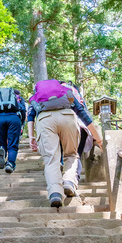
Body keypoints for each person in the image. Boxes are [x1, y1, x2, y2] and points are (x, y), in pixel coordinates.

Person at [27, 78, 103, 207]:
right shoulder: (67, 92)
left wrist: (31, 136)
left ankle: (55, 193)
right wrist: (99, 140)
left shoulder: (36, 96)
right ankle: (68, 181)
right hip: (68, 117)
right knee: (71, 154)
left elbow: (30, 115)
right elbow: (84, 115)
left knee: (51, 159)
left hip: (45, 120)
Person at [0, 85, 27, 174]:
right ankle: (10, 163)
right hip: (14, 119)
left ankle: (1, 150)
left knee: (1, 143)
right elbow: (23, 110)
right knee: (13, 144)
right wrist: (21, 123)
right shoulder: (15, 101)